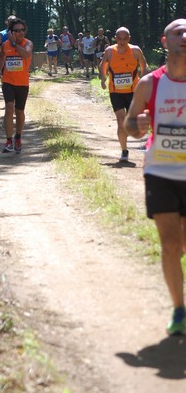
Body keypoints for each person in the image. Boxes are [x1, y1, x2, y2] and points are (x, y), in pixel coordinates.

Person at [124, 18, 186, 335]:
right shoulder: (149, 83)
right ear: (165, 42)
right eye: (178, 32)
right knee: (170, 244)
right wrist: (139, 125)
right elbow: (130, 126)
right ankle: (179, 309)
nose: (184, 36)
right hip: (160, 170)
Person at [100, 26, 149, 162]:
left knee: (135, 120)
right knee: (121, 121)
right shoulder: (110, 51)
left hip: (133, 91)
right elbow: (103, 65)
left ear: (129, 38)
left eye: (125, 38)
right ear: (115, 38)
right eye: (119, 38)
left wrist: (144, 81)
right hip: (116, 91)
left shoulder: (135, 50)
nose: (122, 41)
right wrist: (103, 79)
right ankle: (124, 151)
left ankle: (144, 142)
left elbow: (144, 66)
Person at [0, 18, 33, 153]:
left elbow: (26, 54)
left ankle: (18, 137)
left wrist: (15, 43)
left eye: (22, 30)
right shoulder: (5, 45)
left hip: (22, 83)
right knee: (9, 108)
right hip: (8, 82)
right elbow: (1, 57)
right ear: (11, 32)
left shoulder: (28, 43)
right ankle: (9, 141)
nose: (20, 32)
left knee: (19, 111)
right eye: (17, 30)